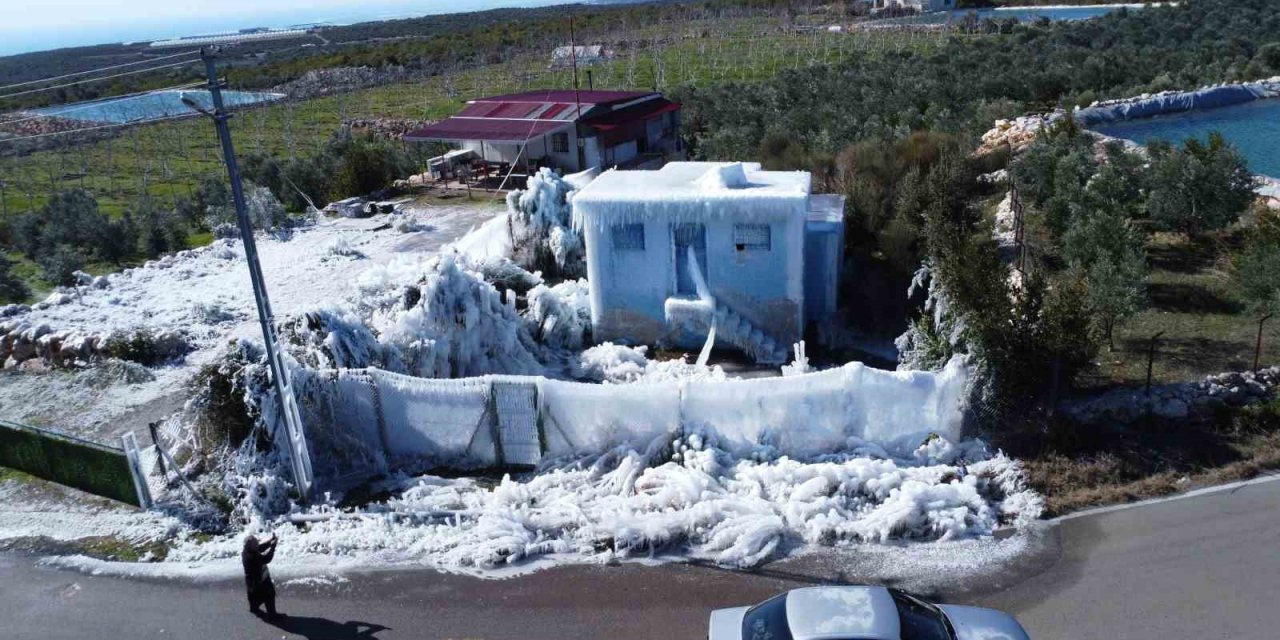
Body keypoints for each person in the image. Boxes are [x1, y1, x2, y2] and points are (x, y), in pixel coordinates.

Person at [242, 532, 280, 618]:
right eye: (256, 542)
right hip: (260, 580)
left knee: (253, 596)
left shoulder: (246, 551)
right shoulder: (252, 557)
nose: (257, 543)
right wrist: (273, 547)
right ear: (251, 545)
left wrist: (269, 542)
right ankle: (272, 615)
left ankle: (253, 608)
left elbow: (259, 548)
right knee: (269, 595)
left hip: (251, 581)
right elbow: (267, 559)